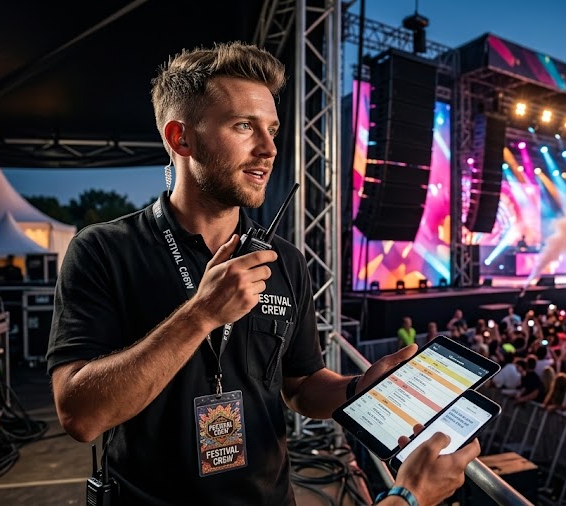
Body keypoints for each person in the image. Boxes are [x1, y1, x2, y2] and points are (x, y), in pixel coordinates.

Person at [46, 42, 476, 506]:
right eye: (244, 126)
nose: (268, 148)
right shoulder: (104, 249)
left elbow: (301, 386)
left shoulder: (284, 260)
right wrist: (201, 314)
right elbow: (79, 415)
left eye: (271, 129)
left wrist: (356, 388)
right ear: (180, 139)